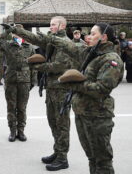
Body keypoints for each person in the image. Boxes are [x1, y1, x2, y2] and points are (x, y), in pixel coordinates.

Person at [2, 16, 74, 171]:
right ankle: (57, 151)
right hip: (52, 88)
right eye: (50, 24)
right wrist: (15, 29)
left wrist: (36, 67)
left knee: (62, 125)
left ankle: (63, 158)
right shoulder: (52, 40)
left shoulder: (66, 44)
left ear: (62, 26)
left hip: (61, 89)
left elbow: (58, 66)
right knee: (53, 122)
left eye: (53, 25)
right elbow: (34, 38)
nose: (51, 27)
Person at [50, 23, 124, 174]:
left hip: (98, 116)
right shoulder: (92, 54)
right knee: (92, 158)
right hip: (83, 112)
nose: (87, 37)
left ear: (103, 37)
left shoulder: (110, 60)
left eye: (92, 34)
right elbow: (67, 46)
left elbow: (101, 89)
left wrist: (74, 84)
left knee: (102, 162)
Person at [0, 24, 35, 142]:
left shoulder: (29, 47)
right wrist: (7, 31)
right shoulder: (8, 45)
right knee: (11, 107)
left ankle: (21, 131)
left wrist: (33, 80)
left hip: (25, 80)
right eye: (15, 32)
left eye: (19, 31)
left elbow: (34, 65)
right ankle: (12, 131)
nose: (17, 34)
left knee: (22, 108)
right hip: (11, 79)